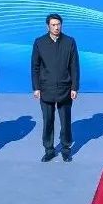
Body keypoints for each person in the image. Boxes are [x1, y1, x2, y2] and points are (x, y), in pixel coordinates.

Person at [31, 13, 80, 162]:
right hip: (46, 88)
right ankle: (49, 150)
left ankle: (66, 149)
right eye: (53, 25)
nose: (56, 27)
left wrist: (74, 87)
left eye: (58, 24)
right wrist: (36, 87)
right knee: (48, 121)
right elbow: (35, 67)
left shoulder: (69, 42)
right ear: (48, 26)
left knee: (65, 121)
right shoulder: (39, 42)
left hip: (65, 88)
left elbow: (74, 66)